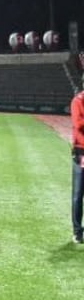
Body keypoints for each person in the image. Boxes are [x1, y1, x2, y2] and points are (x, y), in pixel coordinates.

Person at [69, 81, 84, 243]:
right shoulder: (78, 101)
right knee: (78, 194)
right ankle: (77, 231)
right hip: (81, 153)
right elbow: (79, 124)